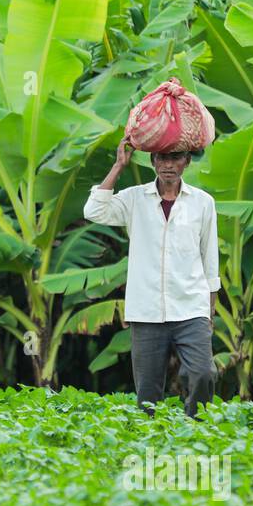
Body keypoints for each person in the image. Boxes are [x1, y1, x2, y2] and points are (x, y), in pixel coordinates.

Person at [83, 134, 220, 418]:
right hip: (146, 310)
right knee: (147, 394)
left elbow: (209, 258)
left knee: (204, 373)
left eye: (175, 158)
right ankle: (152, 443)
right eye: (162, 158)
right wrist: (119, 166)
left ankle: (197, 426)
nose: (168, 164)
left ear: (187, 161)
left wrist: (210, 309)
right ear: (153, 160)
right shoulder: (135, 199)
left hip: (190, 307)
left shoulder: (202, 203)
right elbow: (93, 210)